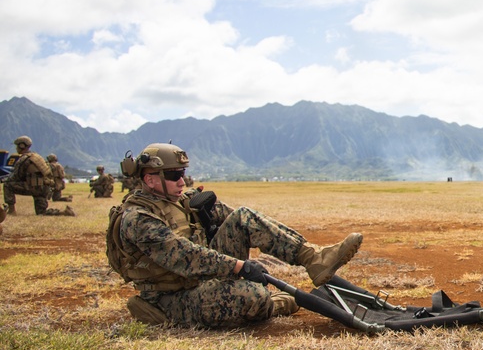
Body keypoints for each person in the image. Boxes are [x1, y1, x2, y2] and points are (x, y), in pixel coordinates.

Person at [109, 142, 364, 328]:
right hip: (171, 295)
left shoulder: (182, 201)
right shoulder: (137, 218)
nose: (181, 181)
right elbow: (184, 257)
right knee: (253, 297)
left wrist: (215, 220)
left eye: (183, 174)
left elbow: (239, 221)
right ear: (150, 179)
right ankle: (274, 303)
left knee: (244, 216)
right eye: (174, 175)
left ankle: (314, 258)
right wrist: (239, 266)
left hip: (199, 280)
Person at [2, 136, 74, 216]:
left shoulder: (24, 159)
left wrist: (5, 179)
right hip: (44, 189)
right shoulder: (36, 157)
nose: (16, 148)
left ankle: (12, 211)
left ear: (22, 146)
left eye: (17, 146)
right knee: (41, 212)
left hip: (34, 188)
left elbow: (17, 176)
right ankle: (64, 212)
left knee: (7, 185)